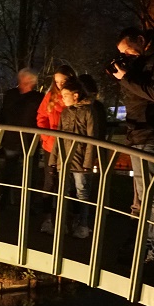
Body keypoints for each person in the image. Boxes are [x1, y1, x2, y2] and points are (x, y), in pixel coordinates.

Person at [110, 27, 154, 268]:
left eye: (127, 50)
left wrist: (126, 77)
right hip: (139, 131)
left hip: (153, 130)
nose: (126, 55)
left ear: (141, 41)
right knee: (143, 195)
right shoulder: (146, 60)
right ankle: (149, 245)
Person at [54, 76, 106, 239]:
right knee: (63, 192)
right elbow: (58, 137)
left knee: (82, 192)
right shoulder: (65, 113)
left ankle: (83, 224)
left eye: (65, 95)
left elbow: (92, 138)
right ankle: (62, 223)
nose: (63, 99)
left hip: (80, 161)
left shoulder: (89, 112)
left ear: (76, 95)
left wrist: (88, 163)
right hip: (65, 160)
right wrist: (54, 159)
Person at [36, 65, 73, 234]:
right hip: (51, 146)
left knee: (66, 184)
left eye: (63, 81)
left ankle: (64, 220)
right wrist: (46, 136)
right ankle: (47, 219)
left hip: (68, 147)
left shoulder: (73, 97)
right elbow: (41, 116)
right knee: (50, 182)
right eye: (56, 81)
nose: (59, 84)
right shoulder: (50, 96)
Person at [0, 68, 44, 204]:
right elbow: (4, 115)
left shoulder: (38, 98)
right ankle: (5, 198)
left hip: (30, 141)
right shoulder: (11, 95)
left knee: (30, 172)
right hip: (12, 140)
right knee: (9, 171)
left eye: (25, 80)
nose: (22, 82)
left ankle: (29, 201)